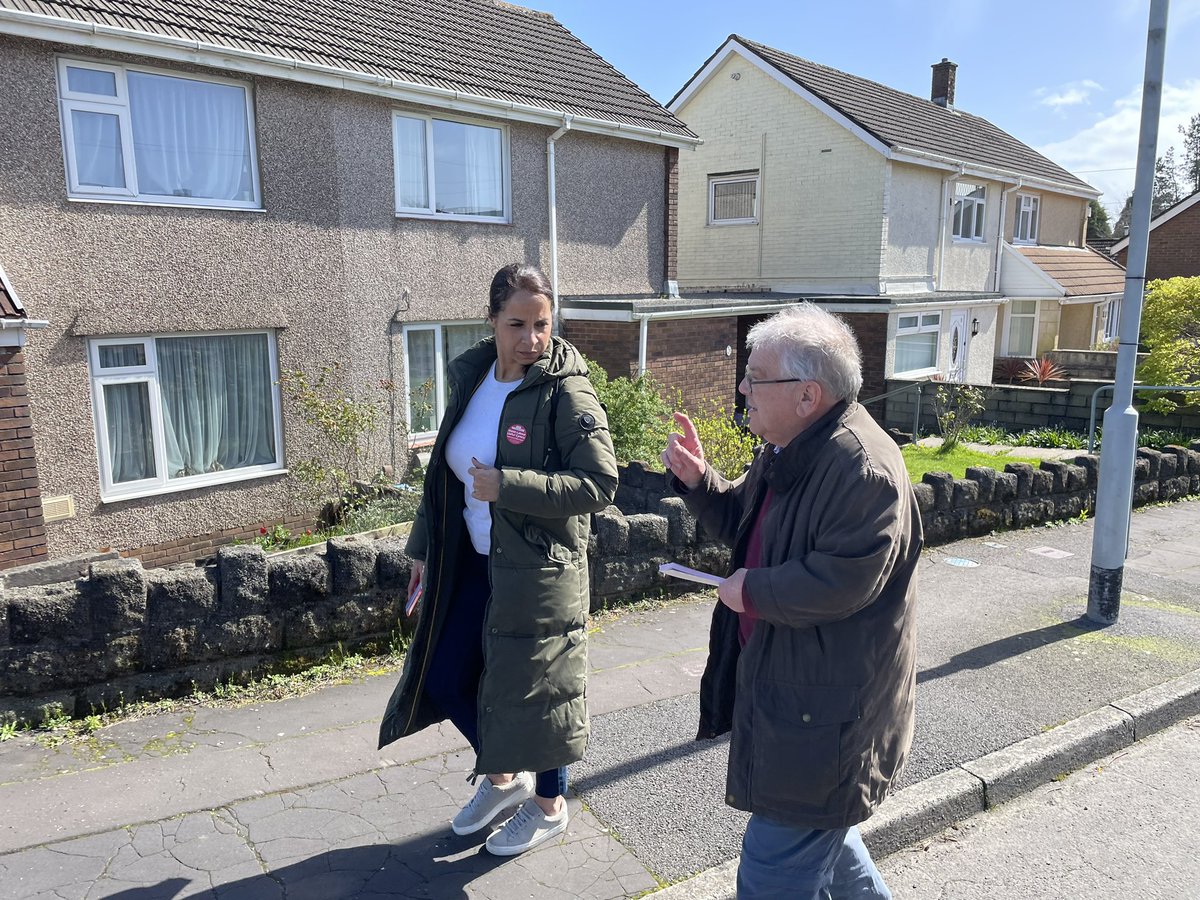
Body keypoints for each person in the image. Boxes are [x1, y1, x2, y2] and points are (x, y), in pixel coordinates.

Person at [661, 303, 921, 899]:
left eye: (756, 377)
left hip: (827, 712)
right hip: (799, 698)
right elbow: (752, 527)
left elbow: (842, 581)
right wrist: (702, 484)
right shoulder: (790, 446)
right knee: (822, 838)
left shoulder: (861, 468)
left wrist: (749, 590)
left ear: (808, 394)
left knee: (771, 871)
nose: (743, 387)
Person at [378, 263, 617, 857]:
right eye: (517, 324)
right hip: (474, 563)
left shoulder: (566, 389)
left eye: (542, 324)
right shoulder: (473, 376)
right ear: (491, 319)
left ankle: (549, 807)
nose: (532, 339)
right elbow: (445, 477)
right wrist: (423, 550)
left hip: (540, 571)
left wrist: (508, 485)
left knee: (541, 693)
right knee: (445, 674)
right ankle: (505, 776)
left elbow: (598, 483)